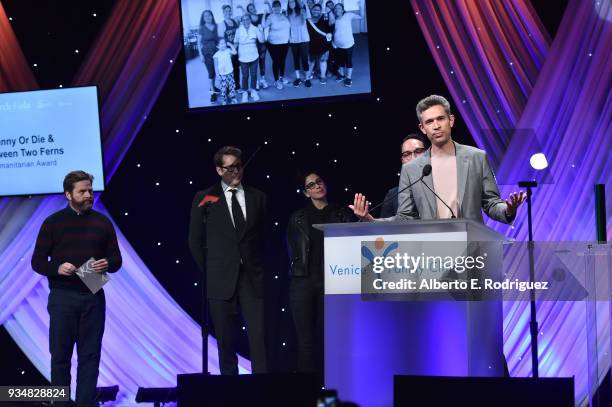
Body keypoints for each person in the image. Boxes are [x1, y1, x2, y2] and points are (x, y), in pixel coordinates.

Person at [351, 95, 526, 223]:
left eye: (440, 119)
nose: (436, 126)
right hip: (432, 254)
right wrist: (372, 221)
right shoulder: (412, 169)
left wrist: (508, 209)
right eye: (429, 122)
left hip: (473, 249)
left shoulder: (476, 157)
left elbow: (490, 203)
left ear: (451, 120)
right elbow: (405, 217)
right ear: (422, 128)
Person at [31, 171, 122, 407]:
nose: (88, 194)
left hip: (93, 292)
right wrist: (57, 268)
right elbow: (37, 261)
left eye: (90, 190)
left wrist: (108, 263)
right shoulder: (53, 222)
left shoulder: (102, 222)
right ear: (68, 194)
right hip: (62, 295)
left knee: (90, 358)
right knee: (60, 357)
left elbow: (117, 260)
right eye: (82, 191)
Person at [189, 146, 268, 375]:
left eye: (238, 165)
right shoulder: (205, 198)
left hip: (252, 277)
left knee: (259, 336)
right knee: (225, 339)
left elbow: (263, 237)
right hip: (219, 279)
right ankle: (231, 391)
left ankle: (263, 389)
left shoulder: (258, 197)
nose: (236, 171)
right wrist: (210, 271)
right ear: (218, 169)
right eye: (230, 167)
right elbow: (194, 241)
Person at [286, 171, 353, 383]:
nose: (317, 186)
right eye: (312, 185)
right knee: (305, 342)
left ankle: (333, 387)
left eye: (320, 181)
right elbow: (291, 248)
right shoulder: (297, 217)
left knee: (331, 339)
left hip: (332, 281)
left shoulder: (341, 214)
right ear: (306, 193)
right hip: (303, 282)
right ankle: (306, 391)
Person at [379, 134, 428, 218]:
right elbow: (386, 228)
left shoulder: (438, 185)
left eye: (419, 151)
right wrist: (371, 220)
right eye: (407, 154)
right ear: (402, 161)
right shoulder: (393, 195)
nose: (413, 158)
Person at [235, 14, 265, 103]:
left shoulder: (255, 28)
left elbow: (262, 40)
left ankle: (253, 90)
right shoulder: (238, 30)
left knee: (254, 74)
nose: (246, 21)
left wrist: (261, 30)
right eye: (243, 20)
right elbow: (236, 42)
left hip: (254, 56)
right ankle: (245, 92)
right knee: (245, 76)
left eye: (247, 19)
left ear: (250, 20)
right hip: (243, 57)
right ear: (242, 21)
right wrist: (231, 52)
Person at [332, 3, 362, 87]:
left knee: (348, 61)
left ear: (342, 10)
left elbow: (360, 17)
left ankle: (348, 78)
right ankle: (341, 75)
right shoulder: (334, 19)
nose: (337, 10)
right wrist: (333, 42)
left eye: (339, 8)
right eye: (336, 8)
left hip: (348, 44)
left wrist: (360, 11)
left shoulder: (348, 15)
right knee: (340, 61)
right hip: (338, 45)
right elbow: (334, 31)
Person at [263, 0, 291, 89]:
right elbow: (263, 26)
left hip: (285, 43)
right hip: (273, 43)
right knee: (276, 61)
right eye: (274, 6)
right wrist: (264, 14)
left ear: (280, 7)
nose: (276, 8)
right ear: (273, 8)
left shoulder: (284, 15)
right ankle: (276, 81)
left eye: (278, 6)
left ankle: (281, 78)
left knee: (282, 60)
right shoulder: (270, 17)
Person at [306, 3, 334, 84]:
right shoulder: (308, 19)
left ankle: (323, 76)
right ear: (311, 10)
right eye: (314, 9)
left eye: (318, 10)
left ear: (321, 11)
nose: (316, 11)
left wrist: (330, 12)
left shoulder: (324, 18)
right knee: (311, 62)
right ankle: (307, 78)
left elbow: (332, 23)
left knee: (323, 60)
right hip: (311, 45)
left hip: (324, 45)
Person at [244, 2, 270, 90]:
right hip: (253, 45)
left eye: (253, 8)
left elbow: (270, 13)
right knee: (254, 64)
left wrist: (268, 4)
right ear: (249, 12)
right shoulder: (249, 20)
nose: (253, 9)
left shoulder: (261, 15)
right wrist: (241, 8)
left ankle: (263, 79)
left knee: (262, 62)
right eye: (250, 9)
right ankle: (256, 81)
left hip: (262, 44)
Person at [287, 0, 312, 87]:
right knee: (296, 59)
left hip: (304, 39)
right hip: (294, 40)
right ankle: (298, 78)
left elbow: (308, 16)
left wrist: (305, 4)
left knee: (305, 60)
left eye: (293, 2)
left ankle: (307, 78)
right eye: (290, 3)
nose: (291, 4)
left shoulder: (302, 10)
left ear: (296, 3)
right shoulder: (288, 14)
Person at [218, 5, 242, 91]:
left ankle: (237, 86)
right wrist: (230, 47)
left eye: (229, 11)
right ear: (223, 13)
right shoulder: (222, 24)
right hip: (229, 50)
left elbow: (239, 33)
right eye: (226, 11)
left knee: (236, 68)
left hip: (237, 48)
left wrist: (236, 44)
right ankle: (228, 88)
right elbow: (221, 40)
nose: (228, 12)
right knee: (228, 69)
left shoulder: (234, 21)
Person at [199, 10, 220, 103]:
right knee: (211, 73)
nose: (208, 17)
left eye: (209, 15)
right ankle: (212, 93)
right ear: (203, 18)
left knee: (219, 72)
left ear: (212, 16)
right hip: (207, 53)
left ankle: (214, 87)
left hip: (217, 52)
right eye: (205, 16)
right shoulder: (201, 28)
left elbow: (219, 39)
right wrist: (201, 55)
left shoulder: (216, 26)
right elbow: (198, 43)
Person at [213, 38, 238, 105]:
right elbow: (215, 66)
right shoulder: (216, 55)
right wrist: (218, 76)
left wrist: (230, 45)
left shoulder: (228, 50)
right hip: (222, 75)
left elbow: (235, 52)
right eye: (221, 44)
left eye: (224, 43)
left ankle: (233, 98)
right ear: (217, 46)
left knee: (232, 86)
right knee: (223, 88)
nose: (223, 45)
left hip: (230, 73)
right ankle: (224, 99)